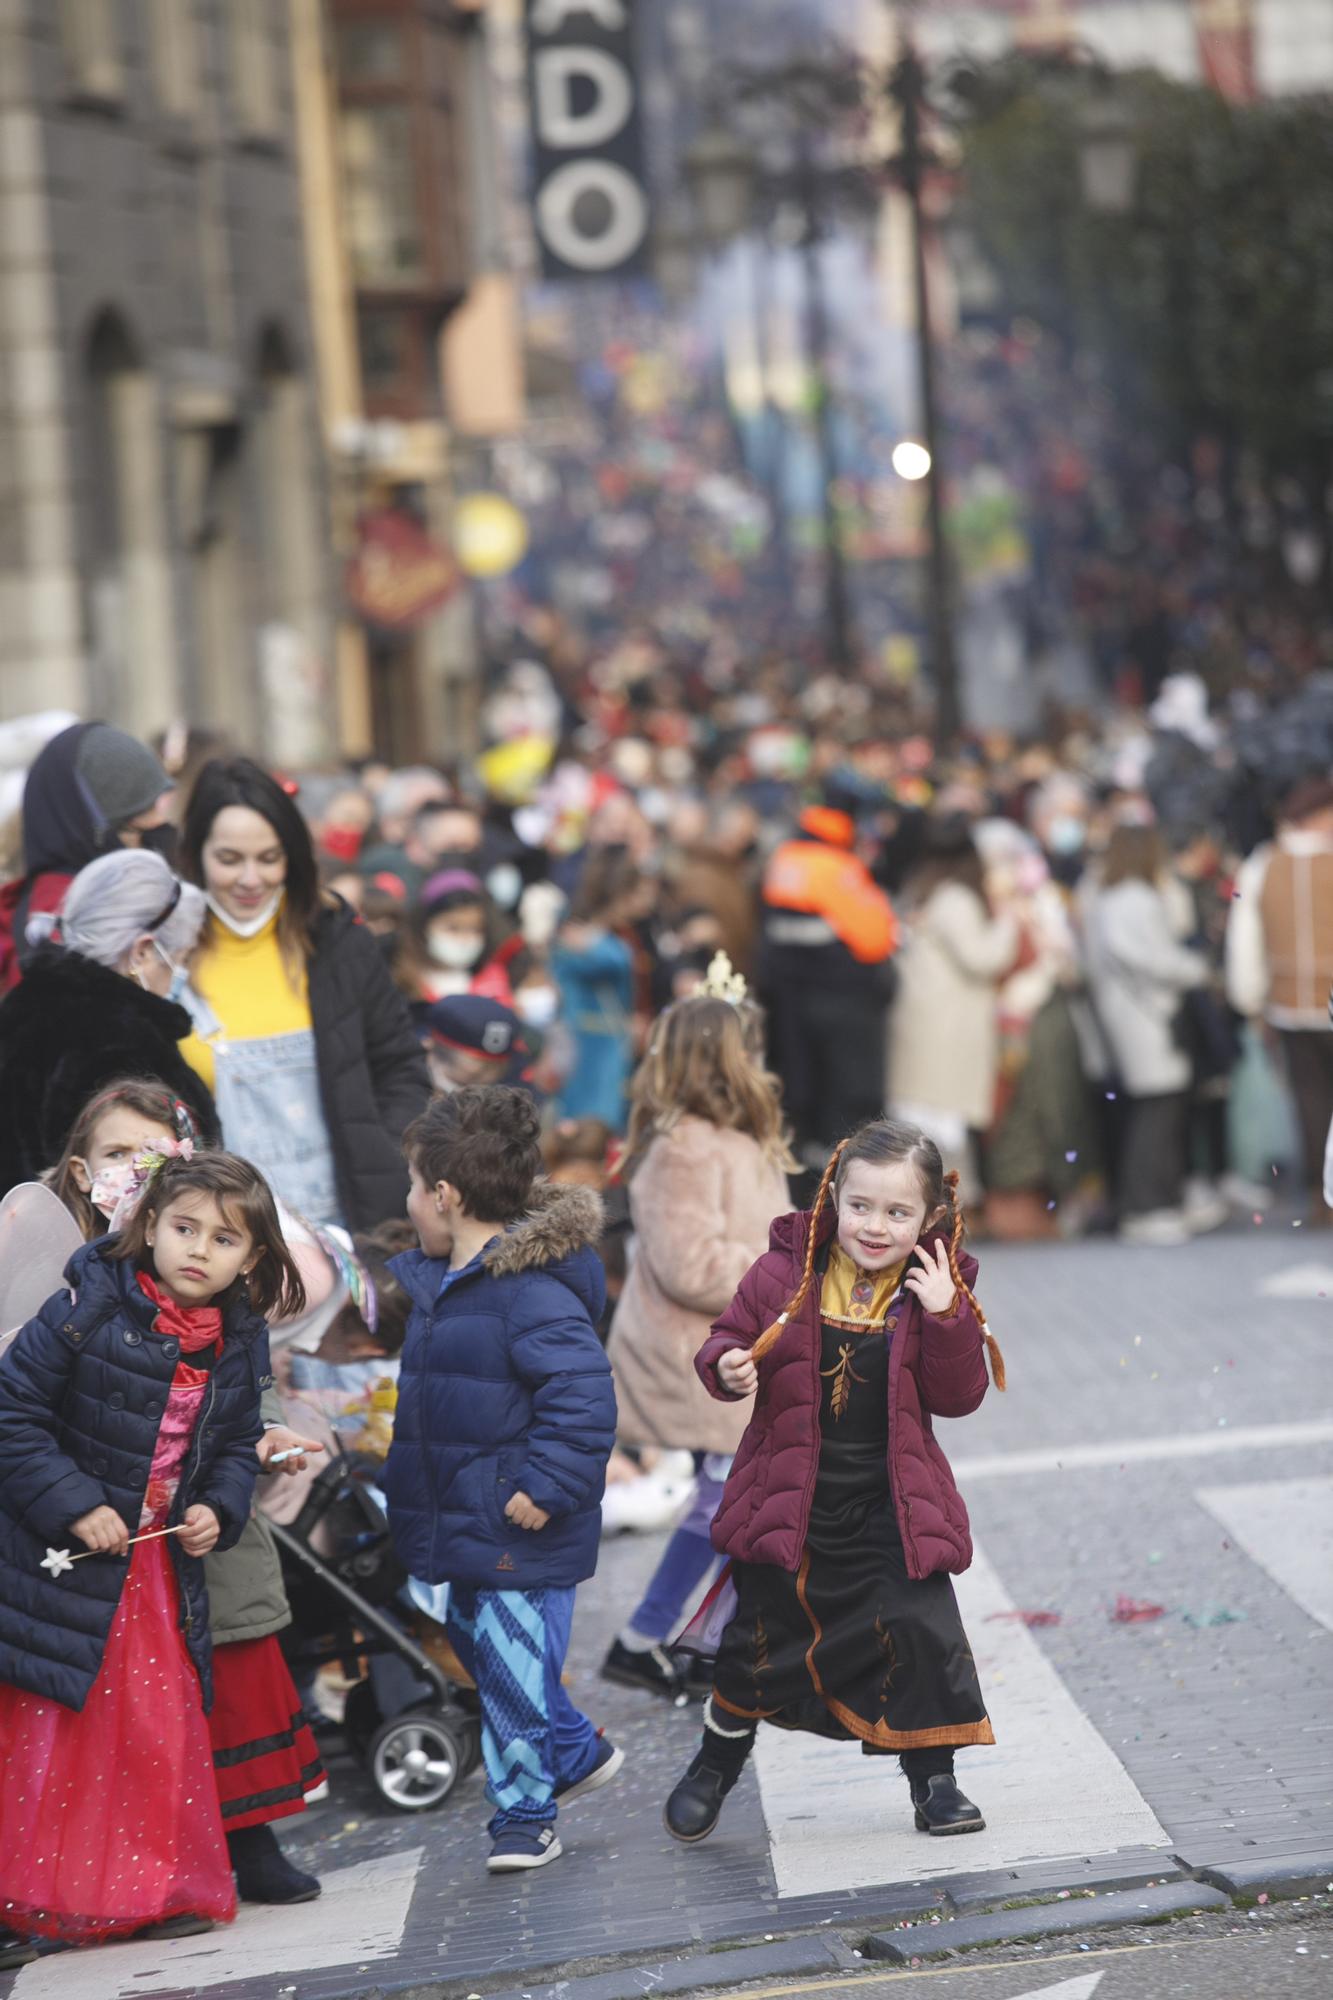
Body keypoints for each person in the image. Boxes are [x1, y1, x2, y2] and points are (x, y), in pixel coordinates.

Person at [0, 1150, 304, 1965]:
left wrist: (216, 1507)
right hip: (60, 1558)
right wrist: (76, 1503)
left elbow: (236, 1444)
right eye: (183, 1228)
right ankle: (34, 1899)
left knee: (150, 1733)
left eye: (223, 1239)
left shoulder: (238, 1339)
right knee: (57, 1732)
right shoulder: (85, 1306)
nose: (198, 1249)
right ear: (147, 1226)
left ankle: (145, 1888)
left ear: (254, 1258)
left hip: (155, 1569)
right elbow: (12, 1415)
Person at [663, 1119, 1003, 1847]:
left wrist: (946, 1315)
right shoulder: (782, 1273)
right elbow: (725, 1339)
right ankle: (715, 1764)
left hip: (890, 1507)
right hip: (792, 1503)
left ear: (930, 1218)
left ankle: (934, 1782)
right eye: (860, 1206)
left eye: (896, 1212)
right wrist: (723, 1366)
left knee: (917, 1634)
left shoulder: (938, 1286)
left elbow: (959, 1394)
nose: (874, 1227)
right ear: (831, 1196)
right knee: (756, 1646)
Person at [45, 1089, 328, 1906]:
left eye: (157, 1155)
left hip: (196, 1514)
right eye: (119, 1157)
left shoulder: (217, 1287)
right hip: (90, 1518)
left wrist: (259, 1441)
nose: (140, 1173)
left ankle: (248, 1830)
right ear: (80, 1172)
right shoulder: (70, 1276)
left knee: (231, 1652)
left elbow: (247, 1394)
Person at [382, 1086, 621, 1874]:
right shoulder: (437, 1286)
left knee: (514, 1674)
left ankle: (524, 1814)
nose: (409, 1202)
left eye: (415, 1187)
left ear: (445, 1196)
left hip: (519, 1521)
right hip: (457, 1517)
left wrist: (546, 1485)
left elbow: (582, 1399)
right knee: (486, 1660)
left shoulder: (530, 1293)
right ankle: (575, 1751)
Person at [602, 981, 794, 1697]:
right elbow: (691, 1265)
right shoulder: (682, 1145)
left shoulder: (736, 1135)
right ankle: (659, 1638)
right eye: (749, 1046)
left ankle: (698, 1639)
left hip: (741, 1348)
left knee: (739, 1498)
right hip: (698, 1353)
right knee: (728, 1501)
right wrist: (787, 1277)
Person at [179, 758, 430, 1231]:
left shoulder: (339, 942)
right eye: (229, 859)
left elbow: (399, 1066)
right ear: (196, 855)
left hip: (350, 1226)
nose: (251, 879)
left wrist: (387, 1155)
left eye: (269, 858)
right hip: (217, 1237)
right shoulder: (164, 959)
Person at [0, 848, 217, 1197]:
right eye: (181, 956)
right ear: (144, 952)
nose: (182, 971)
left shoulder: (24, 1005)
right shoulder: (123, 1042)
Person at [1085, 825, 1209, 1245]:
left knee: (1153, 1109)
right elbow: (1152, 957)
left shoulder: (1107, 897)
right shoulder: (1135, 899)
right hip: (1148, 1017)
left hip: (1130, 1017)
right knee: (1159, 1111)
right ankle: (1148, 1206)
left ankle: (1152, 1203)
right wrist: (1194, 969)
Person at [759, 801, 899, 1170]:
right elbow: (875, 938)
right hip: (842, 1005)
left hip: (792, 1004)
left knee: (805, 1102)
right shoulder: (836, 867)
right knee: (846, 1109)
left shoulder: (783, 860)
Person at [888, 819, 1019, 1198]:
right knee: (943, 1119)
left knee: (921, 1116)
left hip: (920, 1020)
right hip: (947, 1026)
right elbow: (982, 957)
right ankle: (950, 1202)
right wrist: (1009, 920)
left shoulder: (919, 891)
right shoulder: (956, 900)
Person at [1226, 775, 1333, 1222]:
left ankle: (1316, 1194)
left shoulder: (1263, 863)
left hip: (1288, 1002)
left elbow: (1244, 938)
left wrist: (1250, 997)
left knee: (1309, 1100)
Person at [0, 721, 174, 991]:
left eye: (159, 833)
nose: (148, 852)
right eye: (137, 833)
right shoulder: (53, 923)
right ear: (93, 832)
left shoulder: (125, 896)